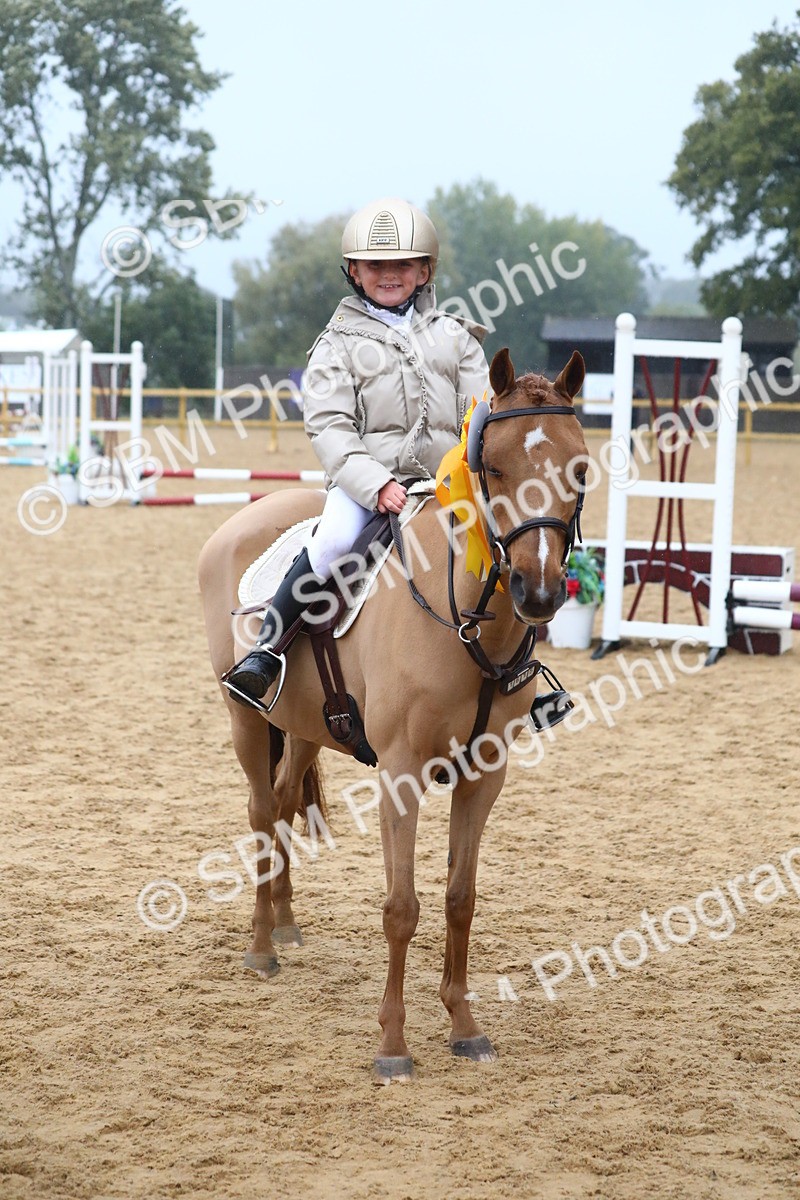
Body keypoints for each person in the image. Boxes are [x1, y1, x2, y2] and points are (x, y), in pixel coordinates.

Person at [223, 197, 490, 707]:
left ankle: (524, 671)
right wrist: (377, 486)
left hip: (447, 482)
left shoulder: (455, 337)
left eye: (402, 265)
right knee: (332, 543)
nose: (389, 275)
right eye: (376, 266)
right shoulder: (336, 344)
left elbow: (479, 413)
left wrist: (471, 467)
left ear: (424, 270)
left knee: (507, 548)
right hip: (368, 486)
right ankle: (267, 651)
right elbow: (330, 427)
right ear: (354, 271)